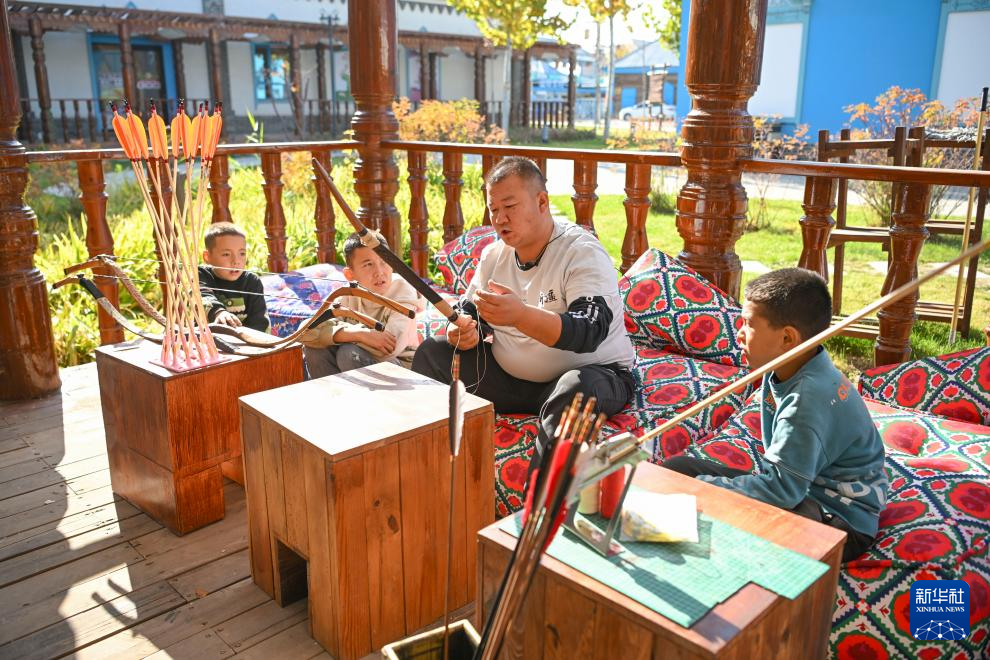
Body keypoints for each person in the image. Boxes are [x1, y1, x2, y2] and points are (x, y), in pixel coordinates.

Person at [412, 156, 636, 475]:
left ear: (542, 202)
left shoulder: (581, 251)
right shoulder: (494, 255)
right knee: (432, 353)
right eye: (493, 209)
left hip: (590, 374)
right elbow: (470, 310)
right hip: (513, 381)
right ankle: (424, 469)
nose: (500, 218)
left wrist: (520, 316)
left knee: (575, 388)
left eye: (510, 206)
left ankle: (539, 502)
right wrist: (465, 329)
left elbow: (589, 330)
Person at [664, 268, 888, 562]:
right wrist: (698, 486)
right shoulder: (791, 366)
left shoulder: (805, 402)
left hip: (839, 518)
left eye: (749, 324)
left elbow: (782, 491)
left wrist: (705, 491)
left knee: (745, 526)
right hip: (799, 488)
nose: (739, 333)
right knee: (676, 469)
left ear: (787, 338)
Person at [300, 233, 422, 377]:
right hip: (361, 361)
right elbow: (305, 332)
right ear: (350, 275)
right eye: (368, 264)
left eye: (384, 262)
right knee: (315, 350)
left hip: (402, 369)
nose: (379, 272)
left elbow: (390, 347)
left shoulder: (402, 290)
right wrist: (360, 334)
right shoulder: (347, 294)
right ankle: (333, 392)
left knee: (348, 353)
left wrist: (335, 335)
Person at [199, 222, 270, 332]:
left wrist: (250, 339)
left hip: (245, 340)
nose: (236, 261)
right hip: (208, 339)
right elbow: (202, 296)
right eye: (226, 254)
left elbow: (259, 321)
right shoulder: (201, 275)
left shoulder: (251, 281)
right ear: (207, 257)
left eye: (242, 254)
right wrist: (218, 312)